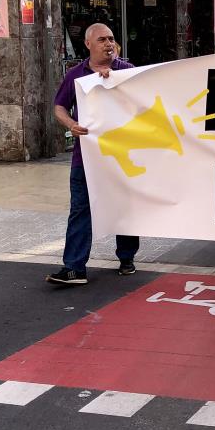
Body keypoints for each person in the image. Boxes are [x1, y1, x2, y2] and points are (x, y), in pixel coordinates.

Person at [47, 23, 140, 285]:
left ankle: (127, 258)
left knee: (123, 207)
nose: (108, 44)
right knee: (81, 210)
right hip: (85, 157)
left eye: (111, 39)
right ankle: (74, 267)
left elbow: (144, 107)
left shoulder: (128, 72)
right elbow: (59, 108)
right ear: (88, 44)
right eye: (102, 40)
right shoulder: (76, 75)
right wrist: (71, 126)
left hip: (122, 155)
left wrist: (118, 87)